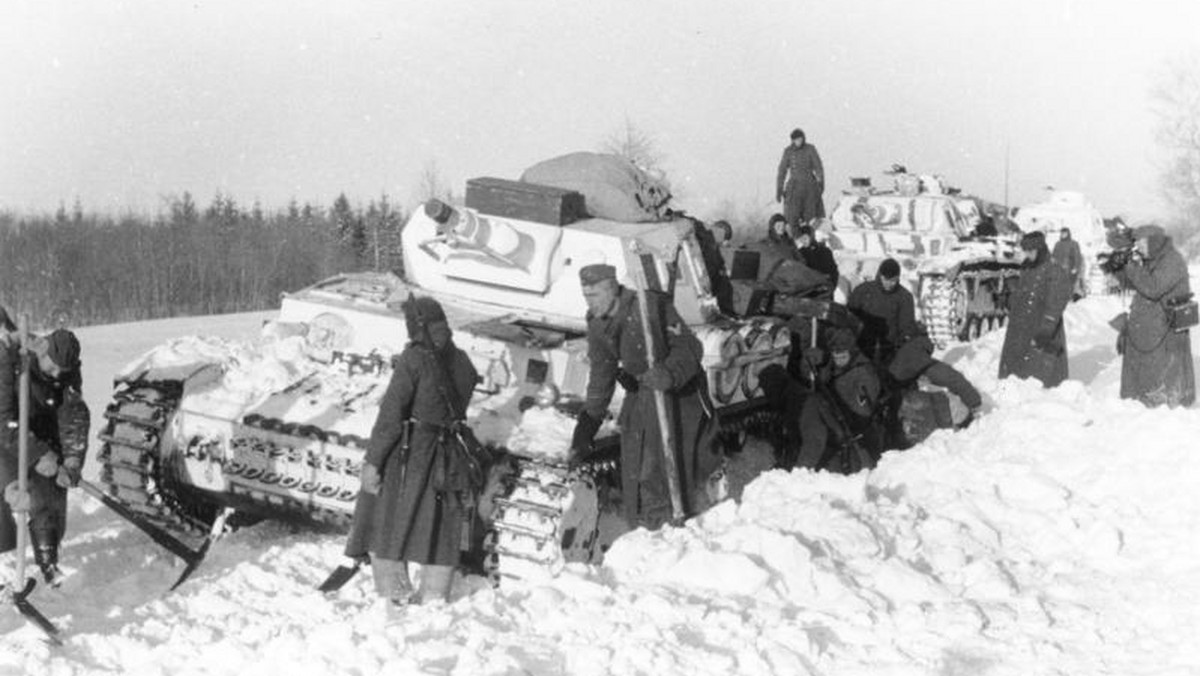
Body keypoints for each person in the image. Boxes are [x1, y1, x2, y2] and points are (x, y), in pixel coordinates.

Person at [343, 296, 481, 613]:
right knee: (440, 527)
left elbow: (391, 416)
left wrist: (374, 461)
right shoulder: (462, 361)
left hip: (411, 455)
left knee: (383, 520)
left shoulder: (414, 359)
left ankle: (395, 594)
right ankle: (434, 596)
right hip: (449, 456)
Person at [569, 264, 720, 529]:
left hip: (678, 395)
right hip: (642, 394)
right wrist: (588, 423)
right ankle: (650, 527)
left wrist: (669, 373)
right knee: (638, 466)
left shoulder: (650, 308)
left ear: (612, 289)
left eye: (593, 296)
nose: (589, 303)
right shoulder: (597, 324)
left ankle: (683, 525)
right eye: (584, 297)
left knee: (672, 465)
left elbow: (690, 347)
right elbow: (601, 375)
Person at [0, 322, 89, 586]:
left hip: (35, 430)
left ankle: (49, 563)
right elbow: (2, 421)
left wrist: (71, 459)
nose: (55, 375)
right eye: (51, 367)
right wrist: (38, 456)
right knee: (8, 489)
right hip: (5, 430)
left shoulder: (67, 370)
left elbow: (73, 416)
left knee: (49, 492)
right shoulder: (9, 360)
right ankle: (5, 563)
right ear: (41, 350)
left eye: (63, 371)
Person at [1113, 224, 1195, 408]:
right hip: (1148, 329)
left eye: (1142, 242)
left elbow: (1153, 287)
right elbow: (1136, 283)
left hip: (1164, 331)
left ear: (1154, 241)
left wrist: (1131, 267)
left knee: (1163, 374)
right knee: (1146, 371)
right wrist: (1119, 269)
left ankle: (1161, 405)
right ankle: (1139, 400)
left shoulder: (1172, 260)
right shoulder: (1152, 259)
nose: (1139, 247)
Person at [794, 326, 882, 473]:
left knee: (812, 404)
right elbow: (812, 378)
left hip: (852, 429)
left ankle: (803, 469)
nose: (838, 360)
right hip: (834, 420)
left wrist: (837, 395)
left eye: (842, 356)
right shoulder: (835, 367)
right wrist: (810, 362)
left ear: (852, 352)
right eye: (835, 356)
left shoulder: (865, 372)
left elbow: (863, 411)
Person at [998, 231, 1073, 388]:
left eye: (1031, 251)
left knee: (1041, 371)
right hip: (1021, 325)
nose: (1028, 254)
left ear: (1040, 250)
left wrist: (1047, 328)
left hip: (1041, 325)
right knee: (1016, 370)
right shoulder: (1027, 267)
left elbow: (1056, 302)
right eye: (1026, 251)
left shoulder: (1054, 269)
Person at [847, 258, 918, 366]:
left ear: (898, 278)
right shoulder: (863, 290)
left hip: (889, 347)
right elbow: (849, 316)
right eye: (886, 279)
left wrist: (903, 344)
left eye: (893, 280)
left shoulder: (904, 297)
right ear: (880, 275)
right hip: (862, 344)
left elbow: (906, 325)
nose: (889, 283)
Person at [775, 128, 826, 228]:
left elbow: (818, 167)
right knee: (792, 215)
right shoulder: (788, 151)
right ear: (793, 140)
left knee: (811, 216)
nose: (799, 141)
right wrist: (779, 189)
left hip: (809, 186)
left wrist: (821, 184)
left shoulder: (810, 149)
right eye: (797, 139)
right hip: (794, 187)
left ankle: (812, 236)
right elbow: (782, 171)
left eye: (800, 139)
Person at [794, 225, 839, 294]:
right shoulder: (800, 253)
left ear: (811, 237)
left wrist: (831, 286)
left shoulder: (825, 251)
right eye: (801, 239)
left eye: (805, 238)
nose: (803, 241)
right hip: (809, 292)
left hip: (825, 290)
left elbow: (833, 271)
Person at [1051, 227, 1085, 301]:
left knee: (1068, 283)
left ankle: (1069, 297)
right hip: (1058, 267)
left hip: (1069, 267)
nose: (1063, 235)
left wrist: (1076, 267)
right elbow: (1053, 255)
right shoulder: (1058, 244)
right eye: (1062, 233)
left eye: (1065, 233)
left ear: (1068, 234)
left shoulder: (1073, 244)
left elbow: (1077, 256)